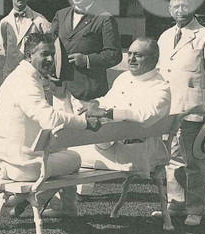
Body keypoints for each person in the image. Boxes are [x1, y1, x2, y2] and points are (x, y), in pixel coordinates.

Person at [0, 32, 103, 228]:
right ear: (28, 56)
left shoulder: (16, 77)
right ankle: (61, 206)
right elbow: (49, 117)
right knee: (75, 159)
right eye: (44, 54)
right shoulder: (27, 83)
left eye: (52, 54)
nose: (50, 59)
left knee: (52, 152)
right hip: (23, 167)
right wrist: (83, 122)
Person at [60, 38, 172, 218]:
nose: (132, 59)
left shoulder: (160, 87)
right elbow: (108, 100)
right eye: (130, 54)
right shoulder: (124, 77)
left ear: (153, 59)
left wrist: (107, 113)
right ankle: (58, 204)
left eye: (139, 55)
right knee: (67, 149)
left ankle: (60, 206)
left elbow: (146, 115)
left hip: (134, 155)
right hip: (111, 146)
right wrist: (95, 104)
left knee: (66, 153)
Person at [157, 0, 205, 227]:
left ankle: (195, 208)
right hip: (170, 109)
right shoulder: (165, 37)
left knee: (194, 161)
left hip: (194, 108)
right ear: (169, 9)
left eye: (183, 5)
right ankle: (176, 204)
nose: (179, 10)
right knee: (171, 158)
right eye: (174, 5)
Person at [50, 0, 122, 101]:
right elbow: (49, 46)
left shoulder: (105, 19)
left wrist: (88, 59)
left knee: (84, 122)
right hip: (60, 89)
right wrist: (50, 70)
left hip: (88, 92)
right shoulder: (60, 15)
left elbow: (115, 54)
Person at [0, 0, 52, 75]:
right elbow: (5, 49)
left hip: (33, 74)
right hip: (10, 75)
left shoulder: (39, 20)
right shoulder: (4, 22)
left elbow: (51, 47)